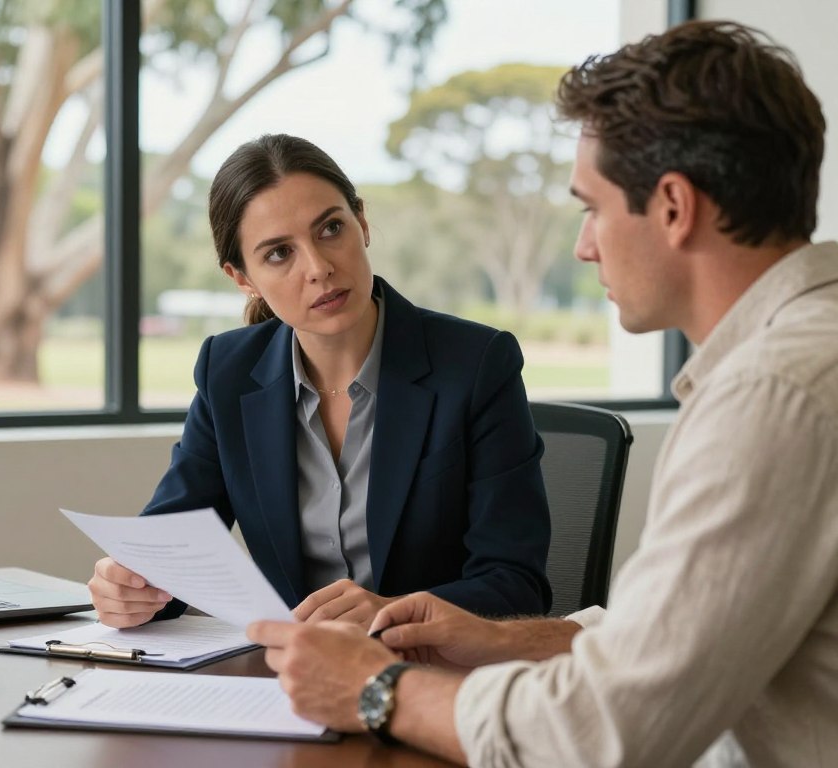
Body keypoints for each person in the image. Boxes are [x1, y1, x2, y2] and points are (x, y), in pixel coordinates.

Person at [248, 20, 838, 767]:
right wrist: (504, 640)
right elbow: (686, 637)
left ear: (673, 207)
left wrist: (378, 688)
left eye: (591, 207)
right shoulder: (808, 351)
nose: (583, 245)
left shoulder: (774, 396)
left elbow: (606, 732)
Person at [88, 134, 552, 632]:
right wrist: (132, 586)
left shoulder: (476, 365)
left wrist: (393, 612)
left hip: (431, 677)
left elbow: (515, 583)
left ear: (363, 223)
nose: (319, 267)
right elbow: (171, 550)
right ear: (240, 276)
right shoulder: (228, 372)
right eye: (278, 254)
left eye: (331, 229)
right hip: (290, 682)